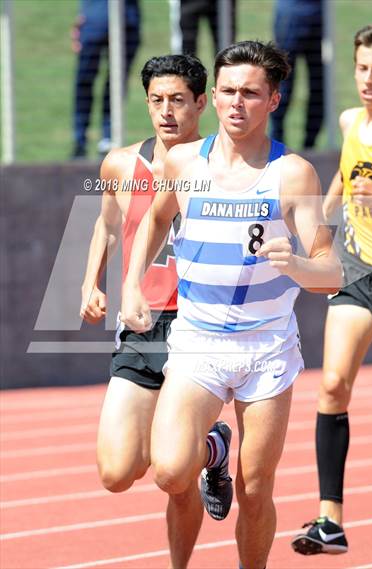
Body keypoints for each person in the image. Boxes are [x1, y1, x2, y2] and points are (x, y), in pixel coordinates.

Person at [121, 40, 342, 568]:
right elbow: (154, 222)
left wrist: (296, 266)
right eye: (227, 91)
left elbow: (331, 271)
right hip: (198, 342)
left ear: (274, 100)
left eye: (250, 92)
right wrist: (132, 284)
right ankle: (212, 452)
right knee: (172, 471)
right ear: (212, 97)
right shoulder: (180, 162)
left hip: (265, 348)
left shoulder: (293, 174)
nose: (236, 103)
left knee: (255, 489)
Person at [80, 54, 234, 567]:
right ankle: (213, 444)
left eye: (177, 100)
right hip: (143, 324)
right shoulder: (121, 164)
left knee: (174, 474)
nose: (166, 111)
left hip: (199, 327)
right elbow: (104, 224)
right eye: (156, 100)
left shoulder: (223, 167)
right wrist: (91, 283)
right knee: (117, 472)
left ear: (200, 102)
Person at [292, 24, 372, 556]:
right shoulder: (349, 121)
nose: (368, 80)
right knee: (332, 385)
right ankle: (330, 521)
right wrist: (316, 232)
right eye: (361, 68)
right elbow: (346, 181)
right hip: (357, 273)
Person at [71, 0, 140, 159]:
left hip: (126, 20)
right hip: (94, 18)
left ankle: (109, 138)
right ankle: (80, 142)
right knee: (85, 81)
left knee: (116, 84)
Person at [271, 0, 324, 148]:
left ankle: (310, 145)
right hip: (290, 13)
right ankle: (276, 145)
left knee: (319, 84)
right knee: (282, 81)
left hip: (318, 14)